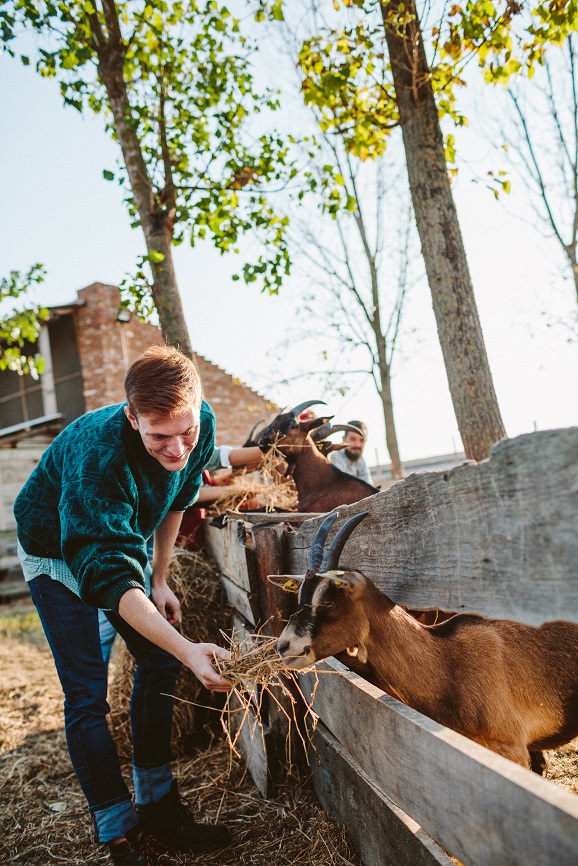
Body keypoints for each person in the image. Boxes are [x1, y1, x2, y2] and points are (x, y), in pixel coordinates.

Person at [14, 345, 234, 866]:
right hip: (53, 548)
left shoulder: (198, 422)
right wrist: (188, 648)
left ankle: (158, 805)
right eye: (159, 437)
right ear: (132, 418)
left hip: (114, 541)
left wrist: (159, 579)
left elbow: (178, 497)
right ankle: (118, 831)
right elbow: (111, 578)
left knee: (157, 658)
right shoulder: (99, 457)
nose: (177, 449)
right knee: (86, 693)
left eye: (186, 433)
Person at [329, 420, 374, 484]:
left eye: (362, 440)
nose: (357, 445)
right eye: (353, 439)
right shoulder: (334, 457)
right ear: (344, 439)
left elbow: (368, 486)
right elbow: (342, 486)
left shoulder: (361, 461)